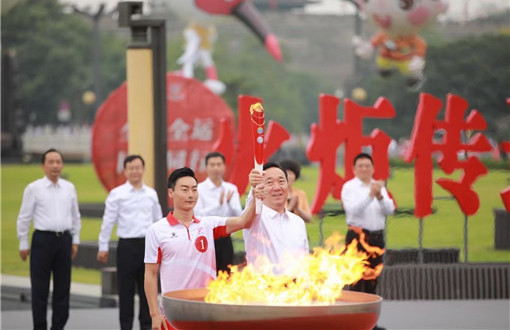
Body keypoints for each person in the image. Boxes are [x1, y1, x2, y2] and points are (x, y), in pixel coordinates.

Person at [144, 167, 263, 330]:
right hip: (173, 314)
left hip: (206, 310)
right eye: (184, 190)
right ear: (171, 193)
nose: (191, 194)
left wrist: (255, 195)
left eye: (194, 189)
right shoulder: (157, 230)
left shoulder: (208, 225)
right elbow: (150, 274)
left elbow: (244, 222)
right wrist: (154, 314)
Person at [16, 148, 81, 330]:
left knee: (62, 289)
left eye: (58, 162)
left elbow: (75, 216)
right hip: (42, 241)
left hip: (64, 241)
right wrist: (23, 242)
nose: (55, 166)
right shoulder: (33, 188)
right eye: (51, 162)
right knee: (40, 290)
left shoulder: (69, 188)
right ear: (43, 166)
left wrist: (75, 240)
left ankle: (58, 327)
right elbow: (24, 217)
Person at [97, 155, 162, 330]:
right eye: (131, 168)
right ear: (125, 171)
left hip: (147, 247)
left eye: (138, 167)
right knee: (125, 292)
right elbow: (108, 221)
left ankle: (147, 326)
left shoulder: (151, 194)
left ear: (143, 169)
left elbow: (158, 222)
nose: (134, 171)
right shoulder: (117, 194)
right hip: (126, 247)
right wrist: (103, 246)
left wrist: (163, 245)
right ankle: (125, 326)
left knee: (147, 291)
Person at [341, 153, 395, 297]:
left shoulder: (379, 187)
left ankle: (370, 319)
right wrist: (370, 196)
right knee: (356, 279)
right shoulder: (349, 187)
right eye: (361, 166)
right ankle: (354, 318)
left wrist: (379, 196)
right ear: (354, 169)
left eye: (367, 166)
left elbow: (390, 210)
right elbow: (353, 210)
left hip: (376, 237)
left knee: (373, 280)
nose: (364, 169)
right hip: (357, 237)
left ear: (373, 168)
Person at [245, 162, 309, 274]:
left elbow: (305, 261)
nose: (277, 187)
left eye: (281, 181)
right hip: (264, 288)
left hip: (296, 288)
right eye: (269, 182)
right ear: (261, 187)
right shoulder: (256, 219)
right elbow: (251, 205)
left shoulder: (298, 222)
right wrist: (254, 188)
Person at [194, 152, 242, 273]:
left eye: (219, 164)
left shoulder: (231, 188)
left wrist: (229, 202)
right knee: (207, 275)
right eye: (212, 165)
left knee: (226, 275)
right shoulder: (199, 189)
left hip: (225, 237)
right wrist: (219, 204)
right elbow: (198, 215)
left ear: (224, 167)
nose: (216, 168)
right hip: (206, 238)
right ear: (206, 167)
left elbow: (238, 215)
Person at [279, 159, 312, 223]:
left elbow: (309, 218)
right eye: (286, 173)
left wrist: (298, 209)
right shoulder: (275, 193)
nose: (288, 176)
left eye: (291, 173)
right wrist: (290, 207)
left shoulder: (301, 194)